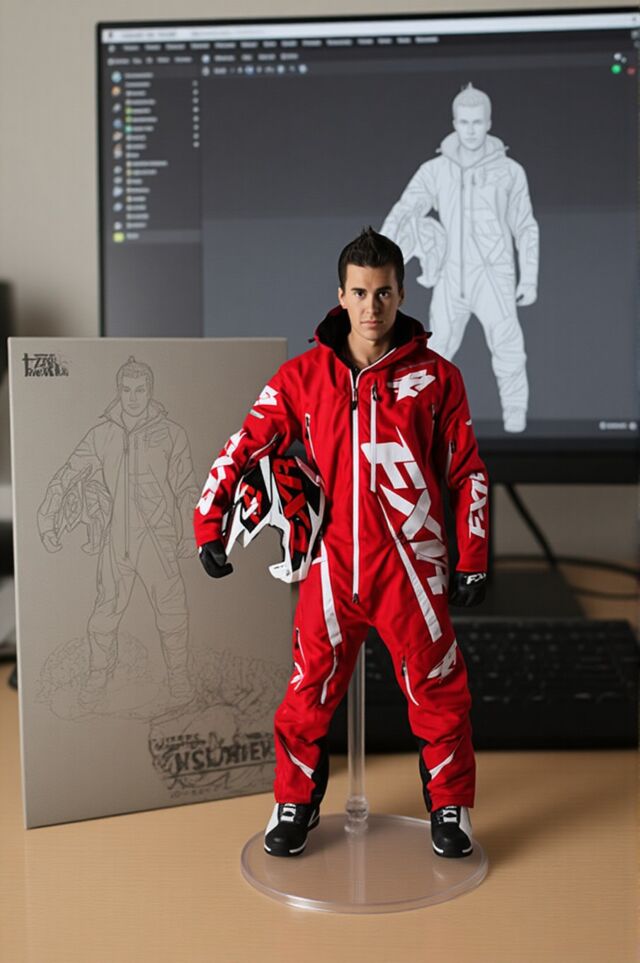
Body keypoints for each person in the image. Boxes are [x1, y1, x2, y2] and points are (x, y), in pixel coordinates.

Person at [194, 229, 489, 859]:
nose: (371, 306)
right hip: (332, 563)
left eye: (383, 292)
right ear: (340, 295)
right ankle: (294, 802)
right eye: (359, 292)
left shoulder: (438, 378)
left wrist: (473, 555)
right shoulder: (302, 377)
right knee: (307, 693)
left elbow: (466, 471)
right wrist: (209, 521)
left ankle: (451, 806)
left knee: (438, 692)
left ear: (401, 294)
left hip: (411, 566)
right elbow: (244, 444)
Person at [38, 357, 199, 702]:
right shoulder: (102, 435)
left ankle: (179, 679)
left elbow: (187, 487)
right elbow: (68, 475)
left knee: (172, 612)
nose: (133, 398)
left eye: (140, 390)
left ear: (150, 391)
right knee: (103, 614)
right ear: (118, 391)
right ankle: (98, 679)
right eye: (127, 390)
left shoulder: (172, 434)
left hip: (158, 538)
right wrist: (48, 518)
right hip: (117, 539)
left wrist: (190, 532)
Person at [382, 83, 539, 433]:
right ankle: (417, 426)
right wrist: (379, 260)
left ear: (488, 123)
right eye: (464, 122)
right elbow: (405, 210)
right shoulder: (435, 170)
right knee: (433, 354)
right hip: (451, 277)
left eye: (477, 122)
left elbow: (525, 225)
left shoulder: (510, 171)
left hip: (494, 275)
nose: (470, 130)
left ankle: (516, 421)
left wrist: (528, 278)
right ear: (454, 122)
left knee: (508, 349)